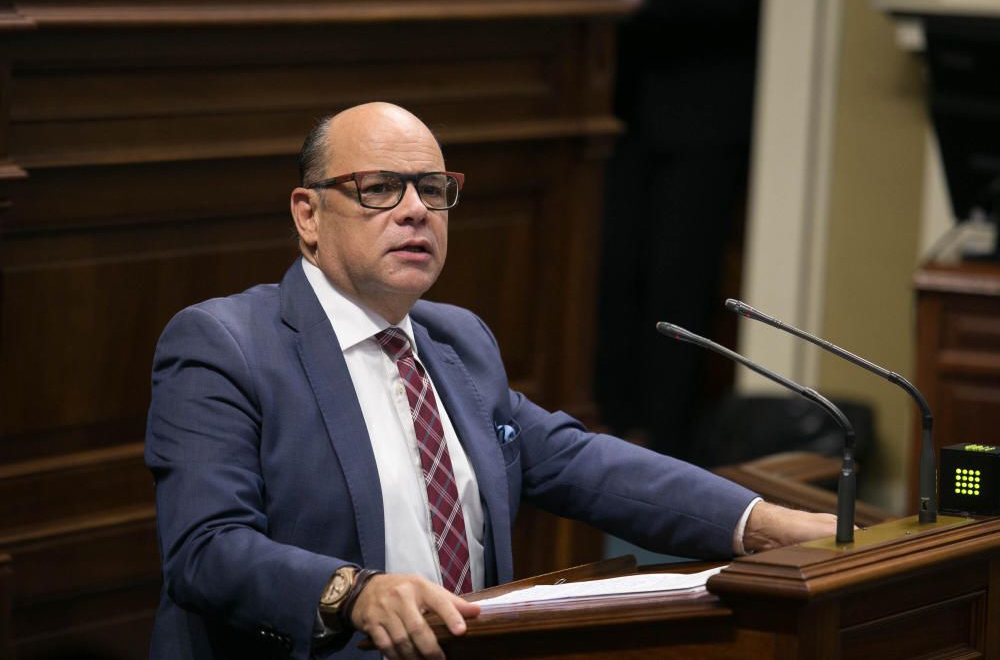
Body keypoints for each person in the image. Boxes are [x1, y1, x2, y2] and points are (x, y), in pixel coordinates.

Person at [145, 102, 837, 660]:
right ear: (308, 214)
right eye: (381, 188)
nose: (416, 209)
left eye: (433, 190)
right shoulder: (227, 344)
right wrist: (355, 594)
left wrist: (760, 523)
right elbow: (206, 548)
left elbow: (579, 460)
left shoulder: (457, 342)